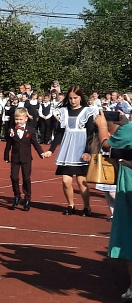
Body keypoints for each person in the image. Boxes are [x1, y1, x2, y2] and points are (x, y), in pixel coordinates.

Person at [95, 111, 132, 301]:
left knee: (127, 235)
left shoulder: (128, 130)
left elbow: (106, 145)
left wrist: (102, 126)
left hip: (129, 186)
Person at [48, 85, 98, 216]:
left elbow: (90, 133)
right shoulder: (63, 111)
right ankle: (71, 205)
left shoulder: (88, 111)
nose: (73, 101)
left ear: (80, 98)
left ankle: (87, 207)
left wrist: (88, 151)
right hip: (67, 149)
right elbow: (59, 133)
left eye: (75, 98)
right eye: (70, 98)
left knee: (81, 181)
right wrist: (51, 150)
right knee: (66, 181)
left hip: (81, 149)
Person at [4, 108, 51, 211]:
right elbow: (9, 144)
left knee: (26, 178)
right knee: (14, 177)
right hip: (15, 158)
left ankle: (27, 199)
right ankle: (17, 196)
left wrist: (41, 153)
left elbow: (35, 143)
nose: (18, 121)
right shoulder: (11, 129)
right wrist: (6, 155)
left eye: (20, 119)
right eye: (16, 119)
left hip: (26, 158)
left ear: (26, 119)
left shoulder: (30, 130)